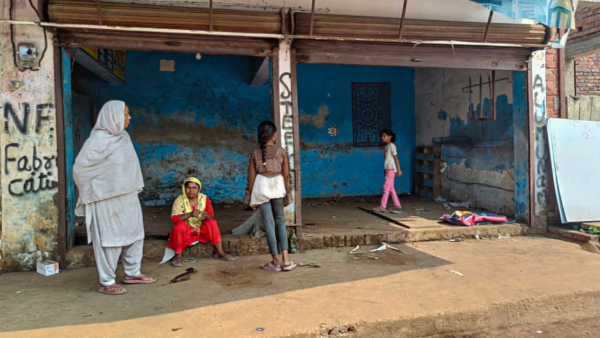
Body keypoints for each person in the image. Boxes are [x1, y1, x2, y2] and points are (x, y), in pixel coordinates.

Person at [74, 100, 156, 296]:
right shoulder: (96, 142)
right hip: (106, 199)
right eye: (126, 114)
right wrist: (95, 190)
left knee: (135, 235)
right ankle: (107, 281)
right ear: (112, 116)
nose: (129, 118)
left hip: (127, 196)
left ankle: (132, 273)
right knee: (110, 240)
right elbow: (80, 169)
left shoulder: (123, 137)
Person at [244, 121, 296, 272]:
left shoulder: (255, 153)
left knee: (269, 224)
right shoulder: (282, 151)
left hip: (261, 188)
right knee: (280, 222)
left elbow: (251, 178)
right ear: (274, 135)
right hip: (278, 187)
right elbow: (286, 176)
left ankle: (275, 262)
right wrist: (288, 193)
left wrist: (249, 197)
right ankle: (287, 260)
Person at [168, 177, 234, 267]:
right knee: (180, 226)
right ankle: (178, 255)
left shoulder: (204, 198)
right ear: (184, 188)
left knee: (212, 223)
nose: (191, 190)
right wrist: (190, 214)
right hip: (186, 232)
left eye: (194, 188)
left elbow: (211, 216)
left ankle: (220, 252)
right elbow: (174, 219)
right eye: (188, 187)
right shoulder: (179, 200)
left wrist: (207, 216)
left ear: (198, 189)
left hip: (200, 230)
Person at [373, 129, 403, 212]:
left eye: (384, 136)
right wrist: (385, 170)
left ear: (390, 137)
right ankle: (397, 205)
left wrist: (398, 170)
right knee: (391, 188)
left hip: (391, 169)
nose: (382, 138)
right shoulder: (386, 146)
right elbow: (386, 159)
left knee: (386, 187)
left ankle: (383, 206)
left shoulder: (391, 146)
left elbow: (395, 158)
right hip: (388, 169)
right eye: (382, 136)